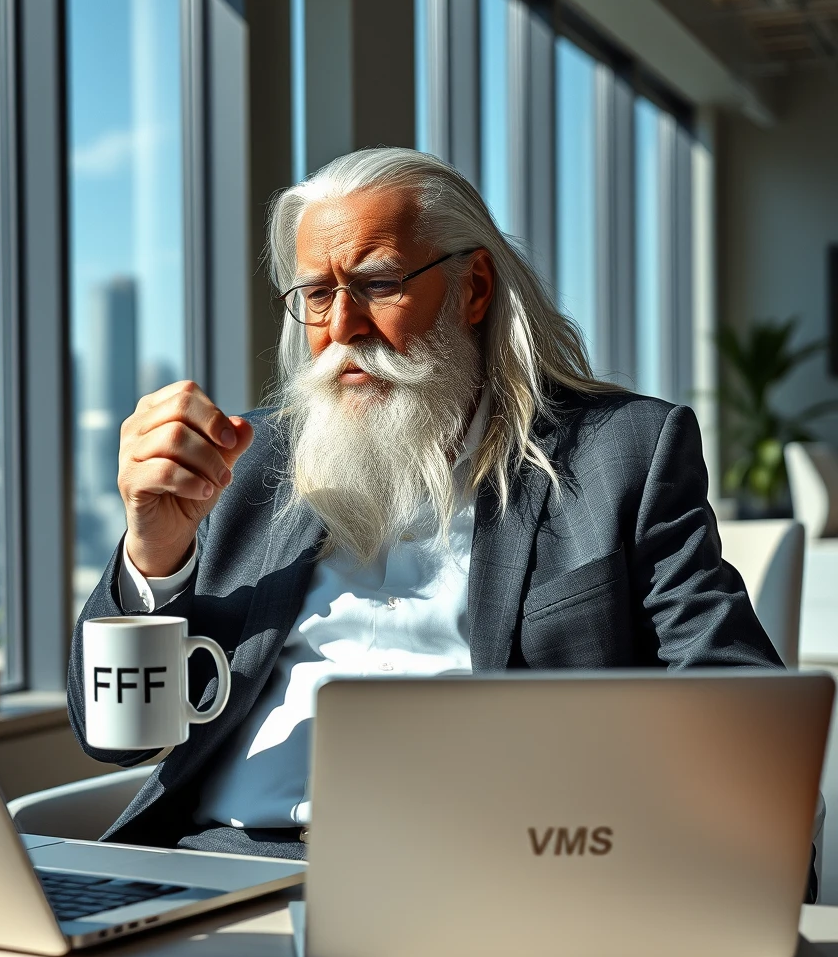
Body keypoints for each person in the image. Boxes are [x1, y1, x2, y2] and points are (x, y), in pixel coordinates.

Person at [67, 146, 783, 861]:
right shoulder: (245, 463)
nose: (343, 326)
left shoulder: (620, 453)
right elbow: (116, 739)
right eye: (317, 294)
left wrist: (749, 895)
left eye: (377, 284)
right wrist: (152, 554)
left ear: (473, 288)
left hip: (491, 867)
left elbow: (737, 703)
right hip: (231, 860)